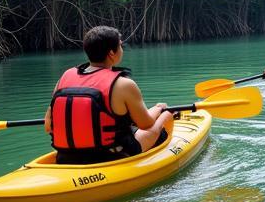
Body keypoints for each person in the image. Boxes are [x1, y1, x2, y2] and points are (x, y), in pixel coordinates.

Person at [44, 26, 173, 164]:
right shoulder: (124, 84)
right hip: (111, 156)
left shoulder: (64, 78)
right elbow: (146, 124)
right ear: (112, 53)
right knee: (160, 120)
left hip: (66, 156)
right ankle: (167, 113)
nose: (122, 50)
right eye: (120, 46)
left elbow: (48, 126)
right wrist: (160, 110)